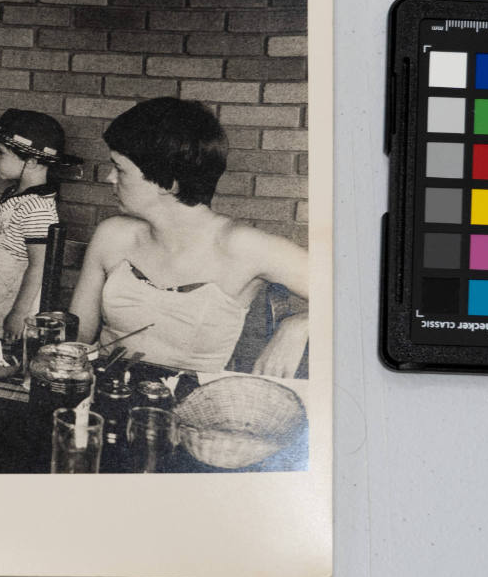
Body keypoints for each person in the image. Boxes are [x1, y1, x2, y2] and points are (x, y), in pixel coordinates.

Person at [69, 97, 309, 377]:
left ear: (168, 182)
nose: (109, 178)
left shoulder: (243, 246)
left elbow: (358, 293)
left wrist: (299, 324)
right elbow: (77, 338)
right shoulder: (111, 235)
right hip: (105, 398)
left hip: (193, 411)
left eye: (120, 169)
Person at [0, 109, 80, 342]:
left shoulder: (38, 208)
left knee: (3, 362)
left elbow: (39, 266)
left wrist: (19, 314)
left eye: (0, 152)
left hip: (11, 319)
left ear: (31, 161)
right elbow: (5, 237)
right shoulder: (16, 194)